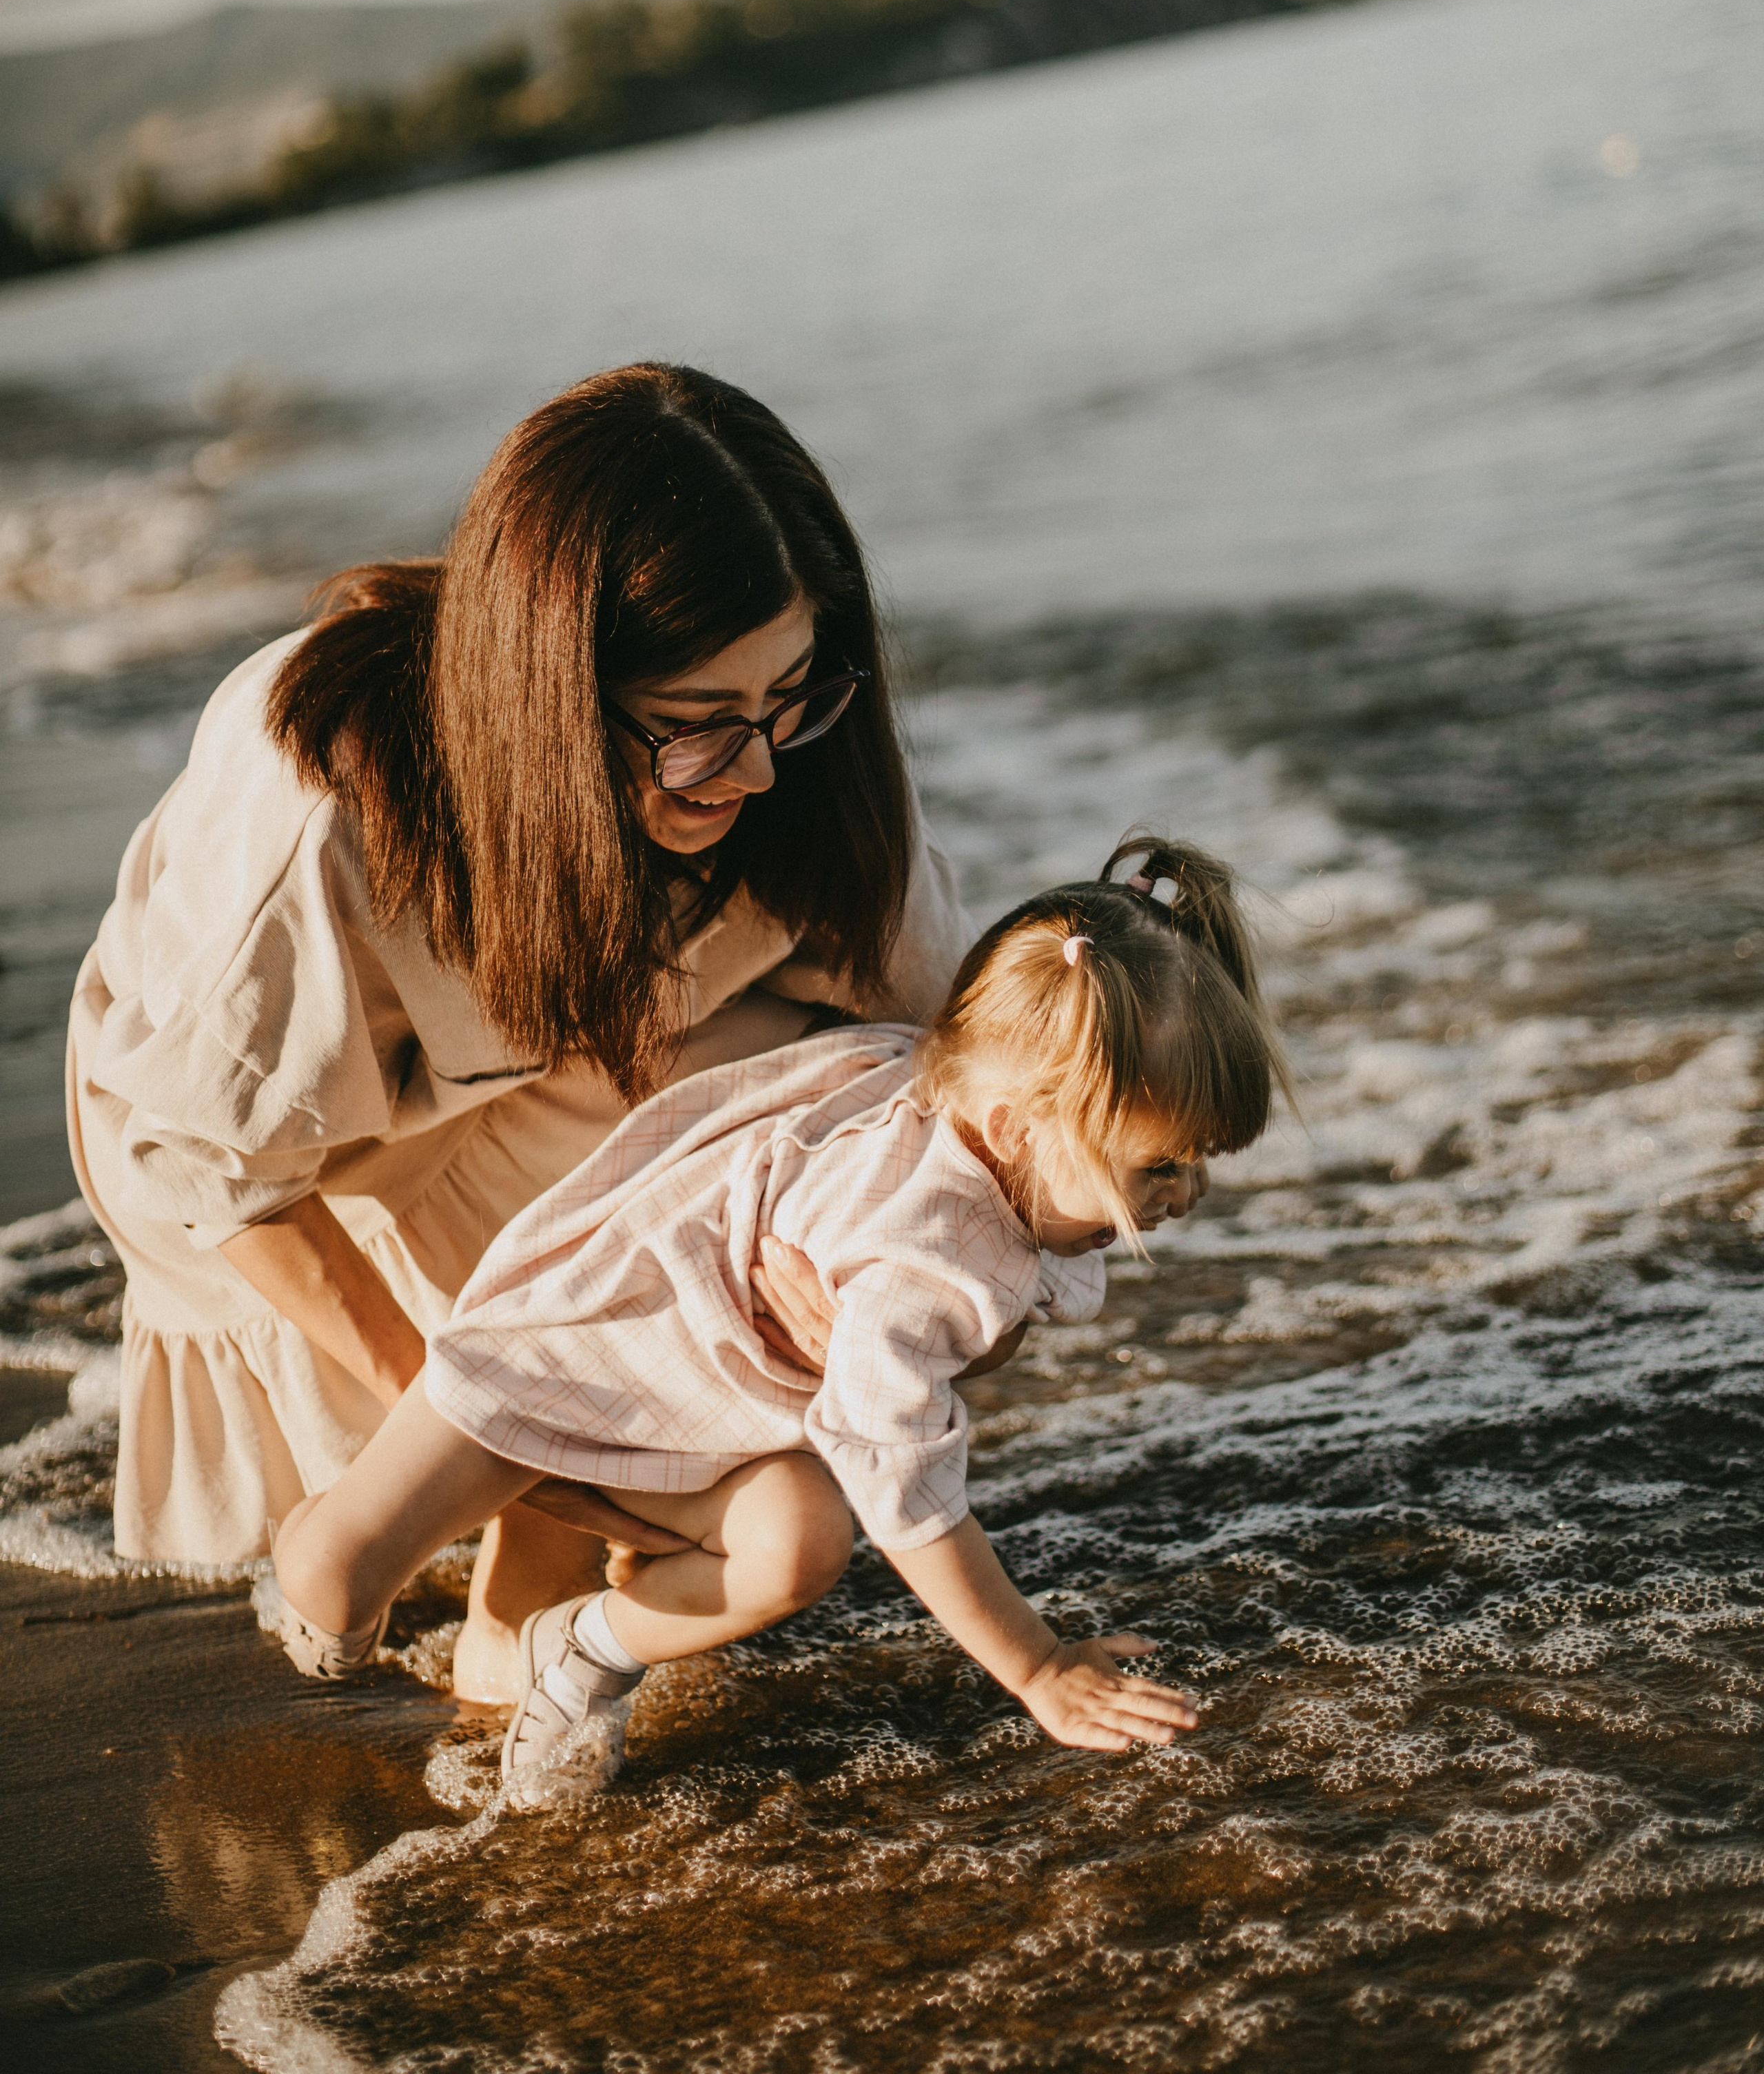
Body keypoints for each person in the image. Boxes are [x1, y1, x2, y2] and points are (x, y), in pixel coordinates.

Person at [66, 364, 971, 1701]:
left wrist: (875, 1296)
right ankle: (372, 1534)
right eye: (694, 726)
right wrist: (473, 1413)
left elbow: (954, 1053)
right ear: (549, 692)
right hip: (291, 1162)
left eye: (792, 696)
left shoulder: (783, 761)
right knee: (538, 1416)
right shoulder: (323, 805)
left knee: (851, 1089)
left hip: (560, 1067)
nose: (762, 767)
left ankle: (520, 1616)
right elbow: (207, 1163)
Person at [269, 834, 1289, 1790]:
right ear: (1017, 1129)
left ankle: (586, 1649)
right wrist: (1038, 1667)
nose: (1183, 1199)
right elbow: (911, 1497)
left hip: (717, 1413)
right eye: (1159, 1168)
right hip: (571, 1356)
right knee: (336, 1587)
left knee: (798, 1541)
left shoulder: (950, 1075)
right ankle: (331, 1525)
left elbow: (970, 1327)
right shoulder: (926, 1252)